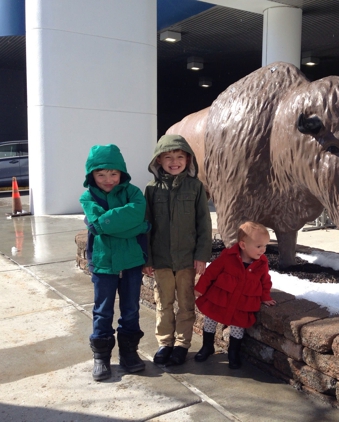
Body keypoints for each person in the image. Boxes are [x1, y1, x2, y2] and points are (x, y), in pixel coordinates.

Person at [80, 144, 151, 381]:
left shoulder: (133, 193)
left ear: (122, 173)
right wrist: (138, 227)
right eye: (101, 174)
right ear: (92, 175)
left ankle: (129, 353)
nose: (108, 179)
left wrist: (109, 226)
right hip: (103, 263)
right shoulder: (87, 196)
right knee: (102, 311)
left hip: (130, 262)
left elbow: (134, 213)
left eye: (113, 173)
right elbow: (96, 224)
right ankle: (101, 356)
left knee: (131, 309)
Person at [143, 134, 212, 366]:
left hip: (186, 260)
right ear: (158, 161)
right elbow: (147, 226)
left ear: (188, 160)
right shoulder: (152, 190)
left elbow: (204, 223)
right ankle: (165, 343)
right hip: (161, 260)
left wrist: (201, 255)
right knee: (163, 303)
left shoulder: (195, 188)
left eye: (179, 156)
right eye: (168, 157)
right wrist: (148, 258)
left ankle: (182, 344)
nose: (174, 161)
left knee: (185, 303)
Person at [194, 221, 276, 369]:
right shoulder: (228, 257)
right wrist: (200, 288)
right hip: (220, 299)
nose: (263, 250)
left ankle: (233, 352)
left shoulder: (261, 263)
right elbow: (211, 272)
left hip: (242, 303)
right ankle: (207, 346)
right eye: (259, 246)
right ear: (243, 245)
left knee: (238, 326)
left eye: (265, 246)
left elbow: (265, 282)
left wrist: (265, 297)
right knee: (211, 320)